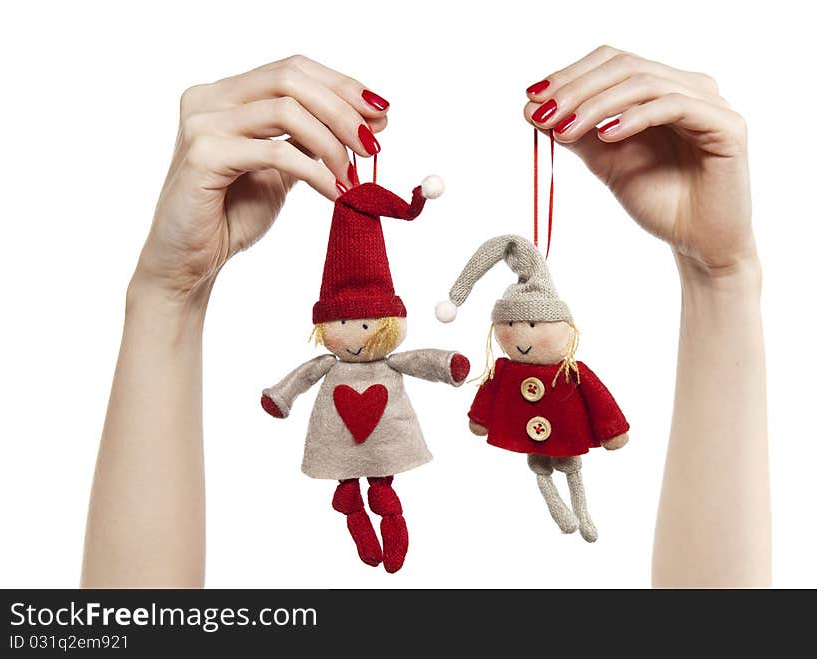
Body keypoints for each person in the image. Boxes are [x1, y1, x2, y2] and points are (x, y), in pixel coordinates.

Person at [81, 46, 769, 588]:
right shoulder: (344, 351)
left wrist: (722, 279)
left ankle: (419, 495)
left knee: (559, 470)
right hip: (356, 430)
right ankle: (365, 496)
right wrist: (167, 296)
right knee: (483, 470)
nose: (523, 338)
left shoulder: (558, 363)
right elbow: (133, 630)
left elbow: (434, 366)